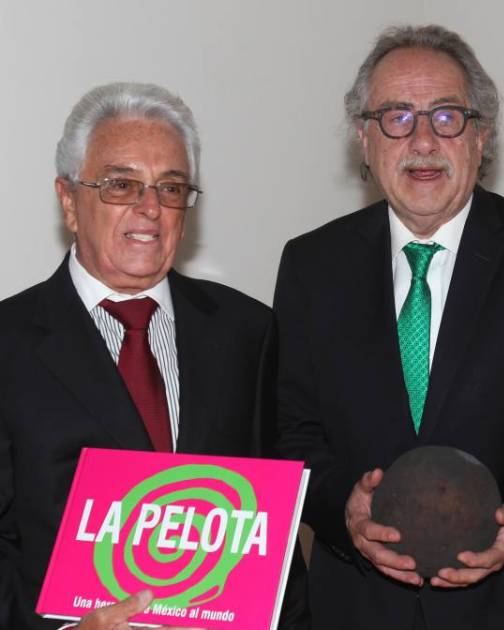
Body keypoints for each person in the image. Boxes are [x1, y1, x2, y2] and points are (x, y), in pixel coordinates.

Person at [272, 24, 504, 630]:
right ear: (364, 139)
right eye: (397, 117)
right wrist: (343, 512)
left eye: (447, 117)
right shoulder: (310, 265)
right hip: (357, 609)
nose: (423, 140)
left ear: (481, 136)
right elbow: (290, 433)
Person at [0, 83, 307, 629]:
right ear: (69, 201)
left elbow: (272, 531)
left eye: (171, 187)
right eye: (121, 185)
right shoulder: (9, 343)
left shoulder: (246, 332)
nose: (150, 208)